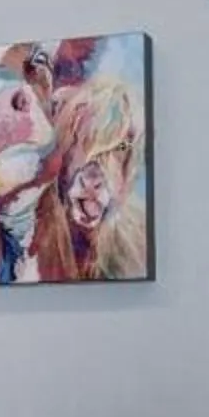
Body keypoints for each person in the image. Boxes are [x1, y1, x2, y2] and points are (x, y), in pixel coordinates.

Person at [55, 70, 149, 279]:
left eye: (119, 148)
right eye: (81, 140)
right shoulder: (39, 236)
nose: (93, 176)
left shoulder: (141, 241)